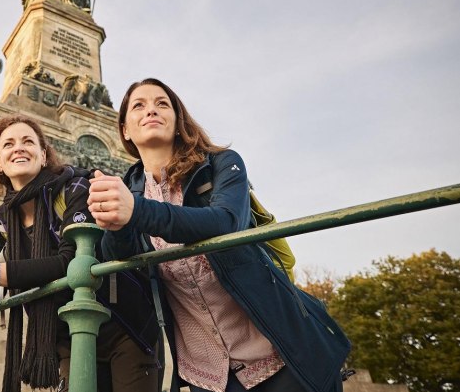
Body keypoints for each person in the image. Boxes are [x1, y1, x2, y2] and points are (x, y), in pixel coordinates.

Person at [88, 78, 350, 392]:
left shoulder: (222, 163)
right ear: (125, 129)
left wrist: (137, 211)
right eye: (139, 106)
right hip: (208, 376)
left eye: (162, 103)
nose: (151, 111)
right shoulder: (125, 189)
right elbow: (122, 259)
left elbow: (225, 222)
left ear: (177, 119)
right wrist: (115, 224)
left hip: (280, 354)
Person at [0, 114, 160, 392]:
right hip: (65, 335)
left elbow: (72, 263)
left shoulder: (76, 187)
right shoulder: (5, 222)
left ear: (43, 156)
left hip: (123, 329)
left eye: (28, 141)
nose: (19, 147)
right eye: (8, 144)